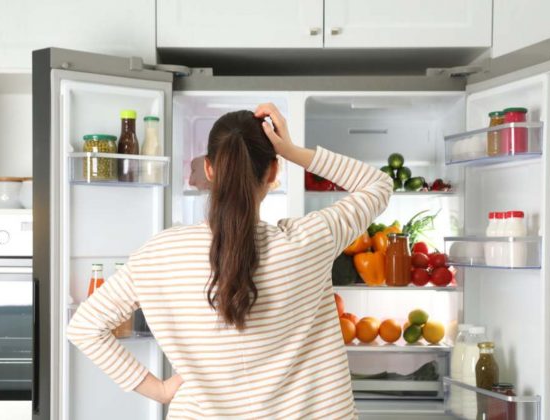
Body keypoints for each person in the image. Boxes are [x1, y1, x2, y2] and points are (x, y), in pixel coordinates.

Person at [67, 103, 393, 418]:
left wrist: (162, 391)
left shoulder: (159, 253)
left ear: (209, 169)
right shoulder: (309, 241)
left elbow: (85, 327)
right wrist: (291, 149)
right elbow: (378, 184)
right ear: (274, 170)